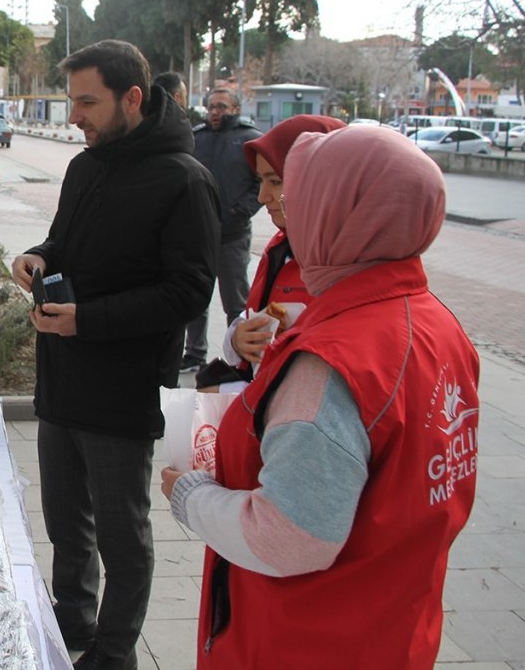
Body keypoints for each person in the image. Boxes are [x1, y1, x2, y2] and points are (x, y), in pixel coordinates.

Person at [163, 126, 480, 670]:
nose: (285, 213)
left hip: (304, 636)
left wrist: (190, 495)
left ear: (345, 214)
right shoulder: (436, 323)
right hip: (391, 624)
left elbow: (289, 537)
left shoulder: (333, 362)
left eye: (302, 199)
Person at [9, 40, 220, 670]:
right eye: (72, 100)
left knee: (123, 538)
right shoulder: (86, 165)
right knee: (65, 521)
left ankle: (113, 652)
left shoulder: (185, 179)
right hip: (62, 379)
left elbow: (188, 292)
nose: (75, 115)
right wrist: (40, 256)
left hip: (124, 391)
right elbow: (66, 241)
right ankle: (72, 620)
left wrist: (90, 320)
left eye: (87, 102)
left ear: (133, 97)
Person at [196, 114, 345, 391]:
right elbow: (253, 317)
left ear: (318, 180)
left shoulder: (345, 264)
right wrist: (237, 339)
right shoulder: (281, 248)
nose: (263, 196)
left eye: (275, 181)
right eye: (260, 180)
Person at [181, 88, 262, 373]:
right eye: (212, 107)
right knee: (195, 296)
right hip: (199, 234)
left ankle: (239, 358)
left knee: (236, 303)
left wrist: (240, 212)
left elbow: (262, 183)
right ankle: (194, 354)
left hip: (233, 236)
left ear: (235, 109)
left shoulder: (250, 139)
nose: (215, 112)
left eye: (222, 107)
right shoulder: (197, 137)